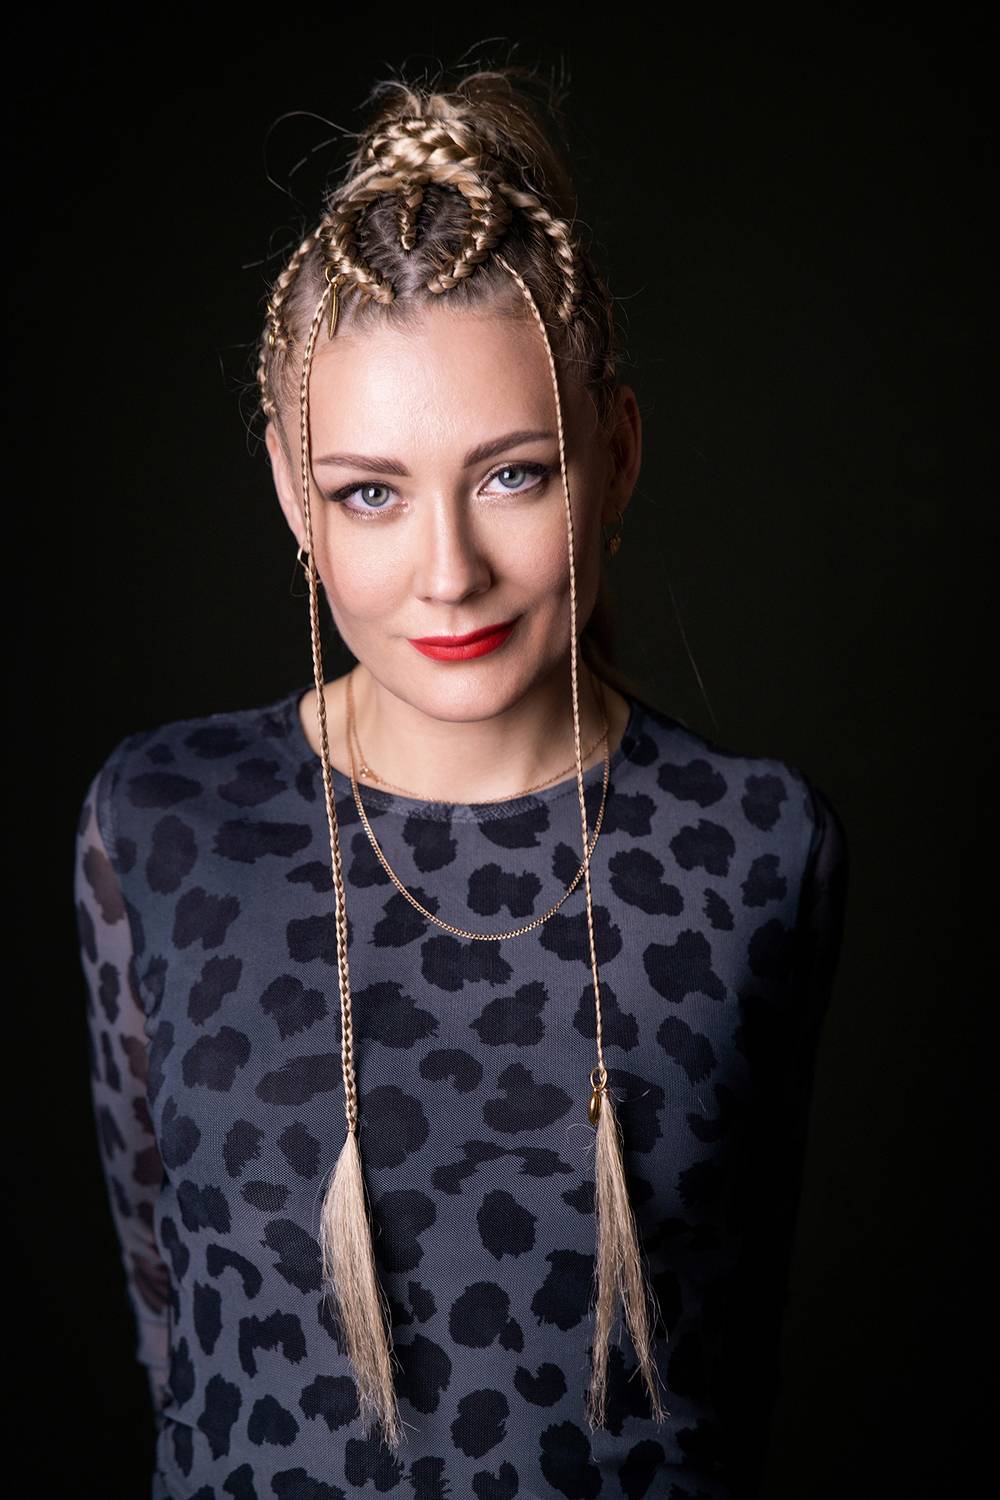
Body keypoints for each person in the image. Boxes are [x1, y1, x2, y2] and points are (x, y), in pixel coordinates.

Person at [72, 64, 849, 1500]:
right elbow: (172, 1332)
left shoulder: (756, 844)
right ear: (293, 495)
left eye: (512, 476)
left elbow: (729, 1364)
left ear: (616, 457)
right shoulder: (163, 824)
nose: (447, 573)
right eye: (370, 491)